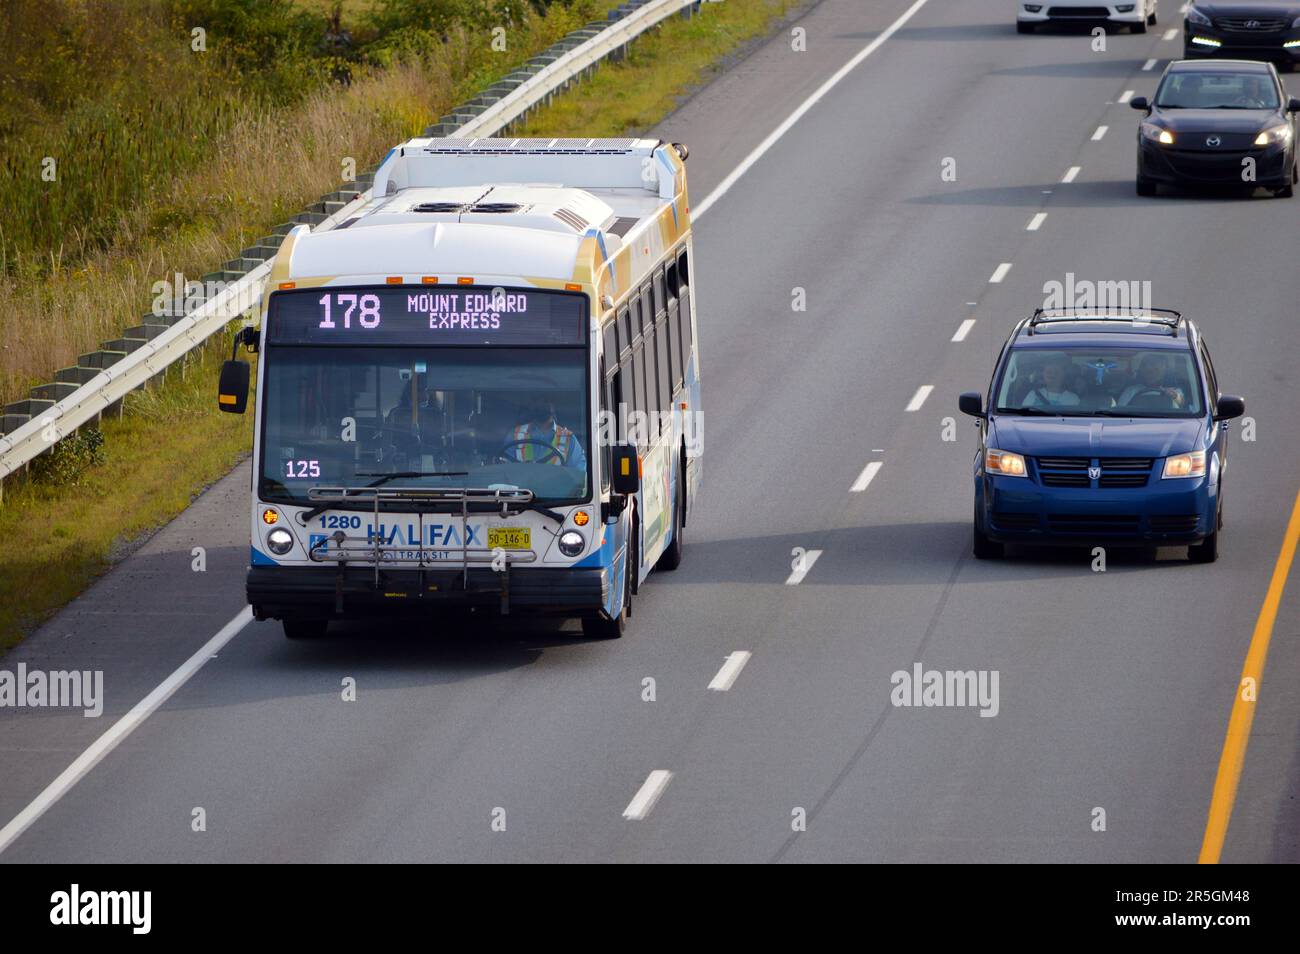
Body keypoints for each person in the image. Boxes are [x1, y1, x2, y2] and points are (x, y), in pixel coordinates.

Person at [510, 400, 586, 470]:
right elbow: (505, 469)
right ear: (531, 406)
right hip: (520, 484)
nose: (541, 405)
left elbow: (577, 475)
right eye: (538, 400)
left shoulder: (568, 439)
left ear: (554, 407)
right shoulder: (515, 435)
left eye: (546, 401)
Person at [1118, 353, 1185, 408]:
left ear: (1165, 371)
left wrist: (1174, 396)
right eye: (1149, 370)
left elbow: (1182, 403)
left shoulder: (1174, 391)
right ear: (1142, 371)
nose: (1152, 372)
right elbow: (1120, 410)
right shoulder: (1131, 391)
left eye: (1156, 369)